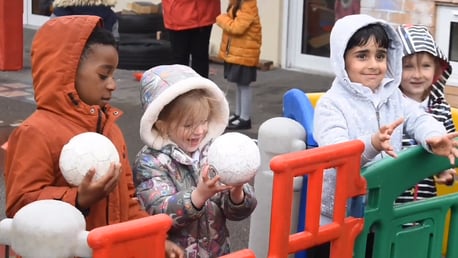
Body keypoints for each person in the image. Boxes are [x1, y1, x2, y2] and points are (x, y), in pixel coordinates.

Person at [3, 15, 183, 258]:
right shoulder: (34, 133)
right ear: (66, 71)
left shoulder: (110, 130)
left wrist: (154, 240)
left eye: (113, 75)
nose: (112, 85)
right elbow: (20, 206)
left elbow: (127, 199)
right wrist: (78, 199)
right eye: (103, 75)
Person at [133, 64, 258, 257]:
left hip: (217, 252)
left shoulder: (213, 151)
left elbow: (236, 213)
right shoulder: (151, 162)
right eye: (189, 124)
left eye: (204, 121)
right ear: (161, 125)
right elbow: (158, 212)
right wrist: (199, 195)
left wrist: (237, 191)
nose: (199, 131)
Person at [395, 24, 456, 205]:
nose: (418, 74)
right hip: (391, 197)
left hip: (424, 201)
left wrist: (444, 171)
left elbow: (447, 150)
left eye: (426, 66)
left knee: (421, 230)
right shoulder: (388, 106)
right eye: (408, 66)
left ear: (437, 70)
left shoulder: (441, 108)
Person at [216, 0, 262, 130]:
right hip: (238, 52)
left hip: (245, 54)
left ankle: (245, 118)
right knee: (239, 84)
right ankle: (239, 114)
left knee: (244, 84)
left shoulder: (249, 6)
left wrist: (221, 19)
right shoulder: (237, 3)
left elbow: (237, 28)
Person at [161, 0, 220, 78]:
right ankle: (190, 88)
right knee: (185, 60)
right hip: (181, 13)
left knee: (197, 58)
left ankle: (196, 87)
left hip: (201, 13)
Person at [51, 0, 119, 41]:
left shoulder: (60, 13)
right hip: (98, 62)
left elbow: (50, 38)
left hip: (65, 61)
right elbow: (114, 42)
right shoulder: (110, 14)